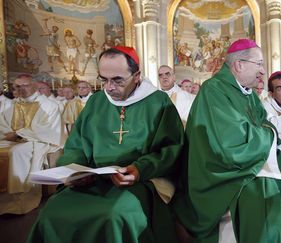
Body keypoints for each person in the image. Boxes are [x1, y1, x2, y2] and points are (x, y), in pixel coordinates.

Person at [173, 39, 281, 243]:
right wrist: (267, 135)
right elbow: (230, 144)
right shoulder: (214, 91)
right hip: (229, 172)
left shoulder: (248, 93)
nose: (263, 71)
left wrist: (265, 133)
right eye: (259, 63)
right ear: (239, 65)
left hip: (258, 160)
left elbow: (265, 125)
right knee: (278, 225)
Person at [28, 46, 184, 242]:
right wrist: (74, 171)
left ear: (136, 76)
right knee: (51, 212)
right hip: (92, 179)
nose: (109, 87)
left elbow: (170, 148)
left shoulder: (158, 102)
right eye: (103, 80)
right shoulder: (96, 102)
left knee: (114, 215)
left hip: (140, 180)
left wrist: (140, 169)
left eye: (117, 80)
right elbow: (76, 145)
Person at [0, 73, 62, 215]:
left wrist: (19, 134)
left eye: (25, 85)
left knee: (17, 152)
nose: (21, 89)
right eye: (17, 86)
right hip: (13, 140)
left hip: (38, 140)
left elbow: (47, 128)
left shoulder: (48, 105)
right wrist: (10, 134)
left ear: (34, 86)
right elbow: (2, 123)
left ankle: (20, 199)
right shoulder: (11, 104)